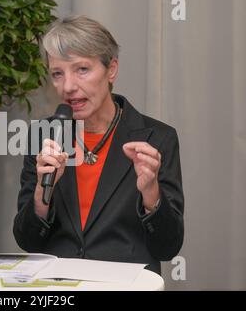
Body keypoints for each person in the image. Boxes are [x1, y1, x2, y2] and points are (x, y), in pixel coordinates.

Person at [12, 15, 184, 274]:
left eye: (82, 69)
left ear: (111, 69)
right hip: (60, 287)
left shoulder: (157, 138)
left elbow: (167, 248)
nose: (68, 86)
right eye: (57, 74)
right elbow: (28, 241)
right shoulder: (43, 135)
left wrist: (151, 195)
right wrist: (41, 195)